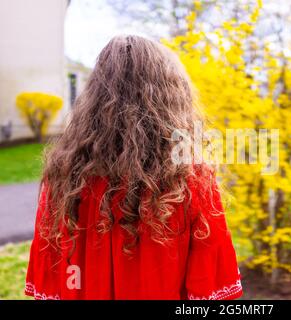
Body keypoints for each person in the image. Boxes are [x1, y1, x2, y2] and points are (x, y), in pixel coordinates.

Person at [24, 35, 242, 300]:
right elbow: (211, 286)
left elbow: (49, 282)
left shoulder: (64, 176)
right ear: (171, 96)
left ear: (93, 96)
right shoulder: (190, 177)